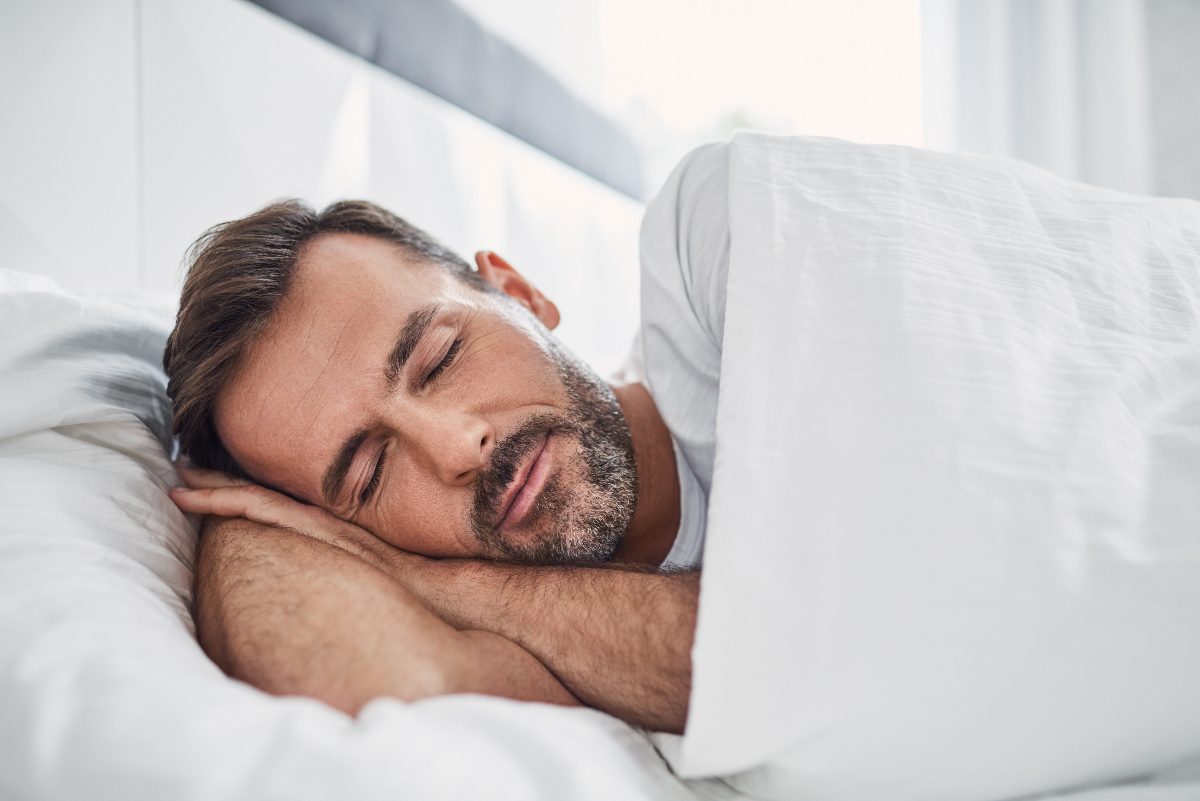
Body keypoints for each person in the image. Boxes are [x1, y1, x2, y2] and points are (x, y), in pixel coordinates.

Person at [164, 143, 730, 735]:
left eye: (440, 360)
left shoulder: (713, 239)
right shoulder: (527, 647)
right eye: (370, 474)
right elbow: (372, 686)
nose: (459, 449)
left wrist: (429, 578)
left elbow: (789, 655)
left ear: (520, 292)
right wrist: (259, 523)